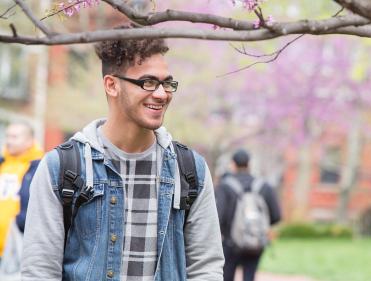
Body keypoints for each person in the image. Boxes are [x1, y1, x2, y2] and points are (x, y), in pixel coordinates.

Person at [21, 24, 224, 281]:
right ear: (111, 85)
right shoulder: (62, 167)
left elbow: (206, 269)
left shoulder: (189, 169)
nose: (161, 94)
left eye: (167, 83)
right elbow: (39, 272)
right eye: (148, 82)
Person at [215, 149, 281, 281]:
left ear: (233, 164)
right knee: (249, 276)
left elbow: (218, 216)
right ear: (249, 164)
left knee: (227, 276)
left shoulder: (225, 186)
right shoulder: (264, 186)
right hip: (256, 242)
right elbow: (276, 215)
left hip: (230, 243)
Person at [0, 122, 43, 267]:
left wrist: (21, 223)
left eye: (14, 137)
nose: (9, 140)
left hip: (18, 250)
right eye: (7, 136)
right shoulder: (2, 163)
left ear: (29, 141)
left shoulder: (39, 168)